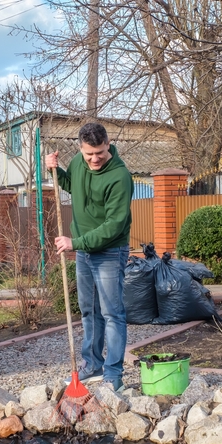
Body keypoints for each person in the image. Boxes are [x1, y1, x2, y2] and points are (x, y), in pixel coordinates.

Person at [45, 122, 132, 391]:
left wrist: (76, 242)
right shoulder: (79, 164)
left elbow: (113, 225)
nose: (95, 159)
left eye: (100, 153)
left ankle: (113, 374)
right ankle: (92, 364)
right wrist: (55, 170)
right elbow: (73, 185)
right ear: (81, 149)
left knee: (111, 313)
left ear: (108, 145)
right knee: (88, 311)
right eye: (88, 154)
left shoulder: (120, 177)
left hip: (109, 251)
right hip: (82, 249)